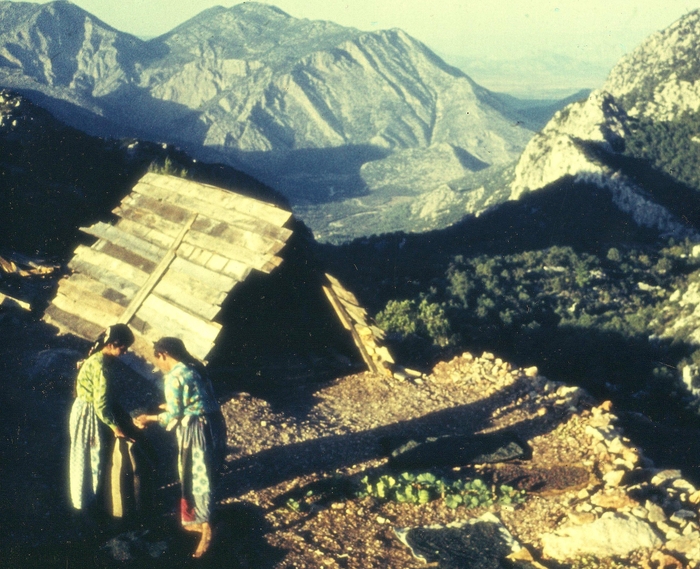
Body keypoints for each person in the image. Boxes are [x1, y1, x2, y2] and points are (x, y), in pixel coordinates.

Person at [134, 337, 226, 558]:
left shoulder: (174, 376)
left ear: (163, 354)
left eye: (158, 360)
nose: (159, 365)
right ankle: (198, 519)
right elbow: (198, 399)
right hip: (214, 425)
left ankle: (205, 526)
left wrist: (149, 418)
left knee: (196, 476)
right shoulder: (195, 369)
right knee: (207, 473)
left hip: (197, 430)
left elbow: (174, 414)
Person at [68, 323, 135, 515]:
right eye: (124, 347)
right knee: (90, 457)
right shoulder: (101, 367)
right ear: (113, 344)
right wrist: (116, 427)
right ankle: (84, 504)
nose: (125, 352)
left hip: (82, 409)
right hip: (89, 414)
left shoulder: (97, 358)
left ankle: (83, 500)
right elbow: (101, 405)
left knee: (83, 455)